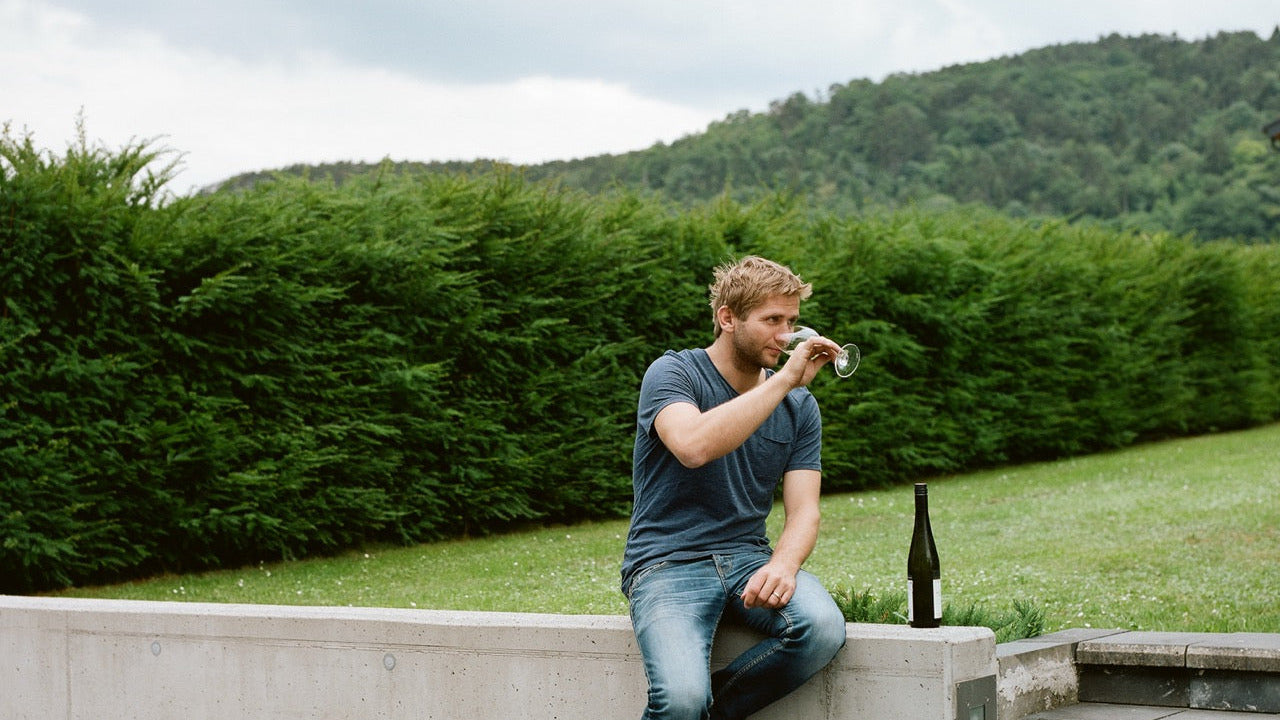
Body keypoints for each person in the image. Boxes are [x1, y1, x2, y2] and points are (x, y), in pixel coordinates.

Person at [620, 255, 848, 720]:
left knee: (822, 629)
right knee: (681, 699)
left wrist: (784, 565)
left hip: (748, 559)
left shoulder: (799, 406)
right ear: (728, 318)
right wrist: (784, 381)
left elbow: (804, 511)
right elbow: (693, 445)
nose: (786, 336)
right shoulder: (673, 373)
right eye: (771, 321)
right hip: (667, 562)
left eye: (792, 321)